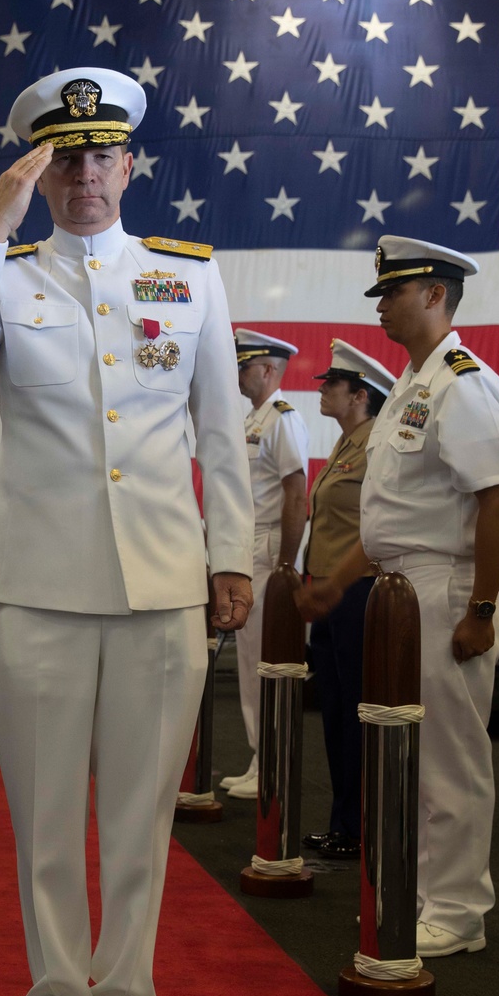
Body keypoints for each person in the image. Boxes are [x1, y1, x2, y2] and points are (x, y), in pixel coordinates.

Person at [0, 68, 254, 996]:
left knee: (143, 820)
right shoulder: (7, 278)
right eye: (63, 159)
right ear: (40, 171)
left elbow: (215, 427)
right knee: (47, 818)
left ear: (129, 163)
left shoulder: (188, 276)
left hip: (160, 582)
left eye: (100, 154)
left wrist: (230, 554)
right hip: (45, 589)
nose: (85, 175)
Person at [298, 236, 499, 959]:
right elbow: (391, 516)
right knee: (410, 750)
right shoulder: (411, 388)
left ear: (434, 295)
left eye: (394, 292)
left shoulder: (462, 380)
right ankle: (424, 890)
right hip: (397, 584)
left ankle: (458, 910)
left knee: (451, 755)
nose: (383, 305)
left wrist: (481, 608)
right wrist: (337, 580)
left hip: (446, 586)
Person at [301, 340, 395, 859]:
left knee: (358, 709)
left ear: (360, 395)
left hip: (358, 590)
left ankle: (362, 824)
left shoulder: (376, 444)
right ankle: (344, 821)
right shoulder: (345, 444)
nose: (324, 390)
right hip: (329, 592)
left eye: (332, 384)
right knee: (335, 708)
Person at [220, 329, 309, 800]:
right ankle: (261, 757)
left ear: (269, 370)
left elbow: (297, 493)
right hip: (250, 544)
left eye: (243, 365)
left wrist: (286, 566)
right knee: (251, 661)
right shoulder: (253, 418)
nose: (236, 373)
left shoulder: (282, 420)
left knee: (265, 661)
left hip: (270, 547)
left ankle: (271, 763)